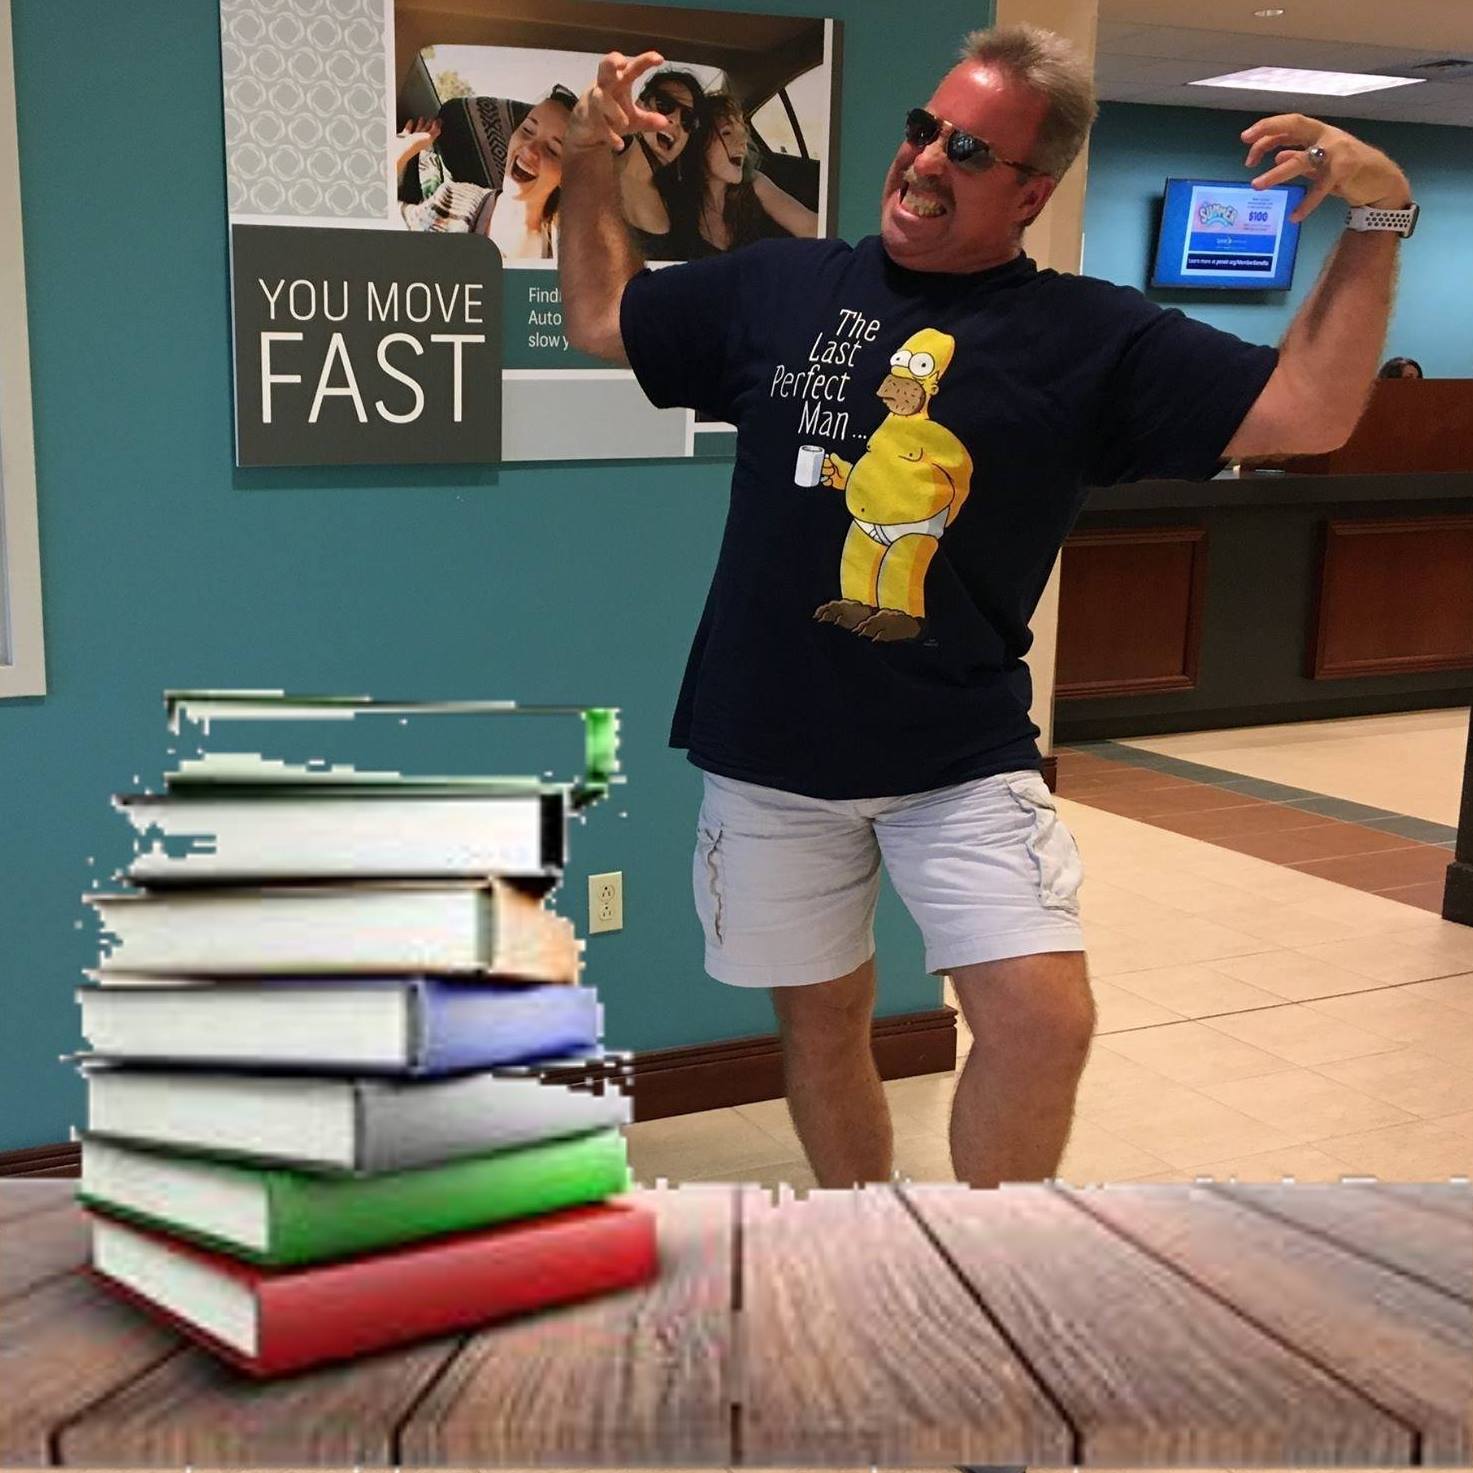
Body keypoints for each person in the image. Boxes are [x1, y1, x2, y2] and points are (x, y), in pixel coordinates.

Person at [558, 26, 1415, 1193]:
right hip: (769, 743)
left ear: (1032, 194)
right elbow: (602, 314)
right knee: (824, 1020)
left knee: (1042, 1021)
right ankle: (869, 1239)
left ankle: (984, 1267)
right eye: (925, 129)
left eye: (968, 150)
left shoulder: (1091, 336)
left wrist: (1378, 214)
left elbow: (1310, 410)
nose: (925, 160)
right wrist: (593, 154)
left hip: (957, 752)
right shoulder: (782, 283)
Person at [397, 87, 575, 258]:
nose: (530, 149)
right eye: (527, 130)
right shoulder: (452, 200)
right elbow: (387, 238)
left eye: (553, 150)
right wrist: (399, 154)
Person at [675, 91, 819, 257]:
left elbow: (811, 227)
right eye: (727, 133)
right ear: (699, 142)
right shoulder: (678, 204)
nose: (742, 142)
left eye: (742, 132)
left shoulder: (754, 184)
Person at [615, 69, 706, 257]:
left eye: (688, 119)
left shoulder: (681, 203)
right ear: (638, 106)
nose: (675, 121)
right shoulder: (598, 161)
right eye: (665, 105)